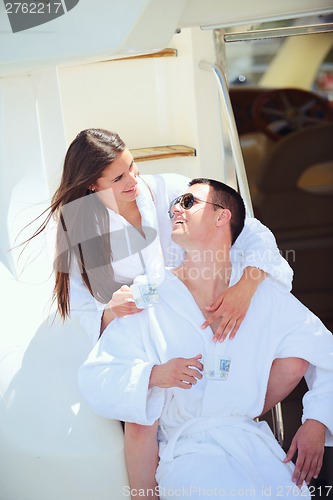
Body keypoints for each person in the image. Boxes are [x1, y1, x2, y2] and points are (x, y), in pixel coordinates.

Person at [26, 128, 303, 495]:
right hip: (148, 330)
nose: (134, 180)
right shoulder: (75, 223)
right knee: (142, 411)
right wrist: (109, 312)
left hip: (203, 314)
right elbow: (77, 302)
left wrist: (246, 286)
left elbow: (253, 233)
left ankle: (233, 419)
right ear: (92, 185)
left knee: (262, 368)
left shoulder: (171, 191)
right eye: (119, 177)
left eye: (133, 167)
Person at [78, 178, 333, 498]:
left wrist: (317, 421)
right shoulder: (149, 294)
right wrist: (155, 375)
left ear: (222, 216)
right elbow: (98, 377)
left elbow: (323, 350)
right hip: (191, 462)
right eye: (173, 204)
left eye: (187, 202)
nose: (174, 210)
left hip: (261, 458)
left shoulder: (263, 295)